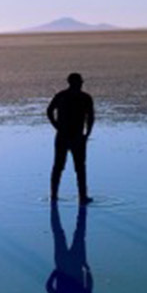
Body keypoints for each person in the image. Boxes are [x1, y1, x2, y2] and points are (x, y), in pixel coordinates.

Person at [46, 72, 95, 203]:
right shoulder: (85, 98)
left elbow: (49, 111)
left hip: (63, 135)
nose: (81, 84)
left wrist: (56, 126)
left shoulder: (61, 96)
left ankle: (54, 196)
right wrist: (87, 134)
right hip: (76, 137)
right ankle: (82, 197)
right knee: (79, 168)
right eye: (80, 82)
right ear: (78, 83)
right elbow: (91, 118)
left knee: (59, 167)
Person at [45, 203, 92, 293]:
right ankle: (56, 207)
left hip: (70, 264)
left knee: (76, 234)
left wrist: (55, 272)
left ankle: (59, 207)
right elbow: (49, 287)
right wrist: (55, 272)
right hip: (69, 265)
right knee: (64, 234)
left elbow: (49, 288)